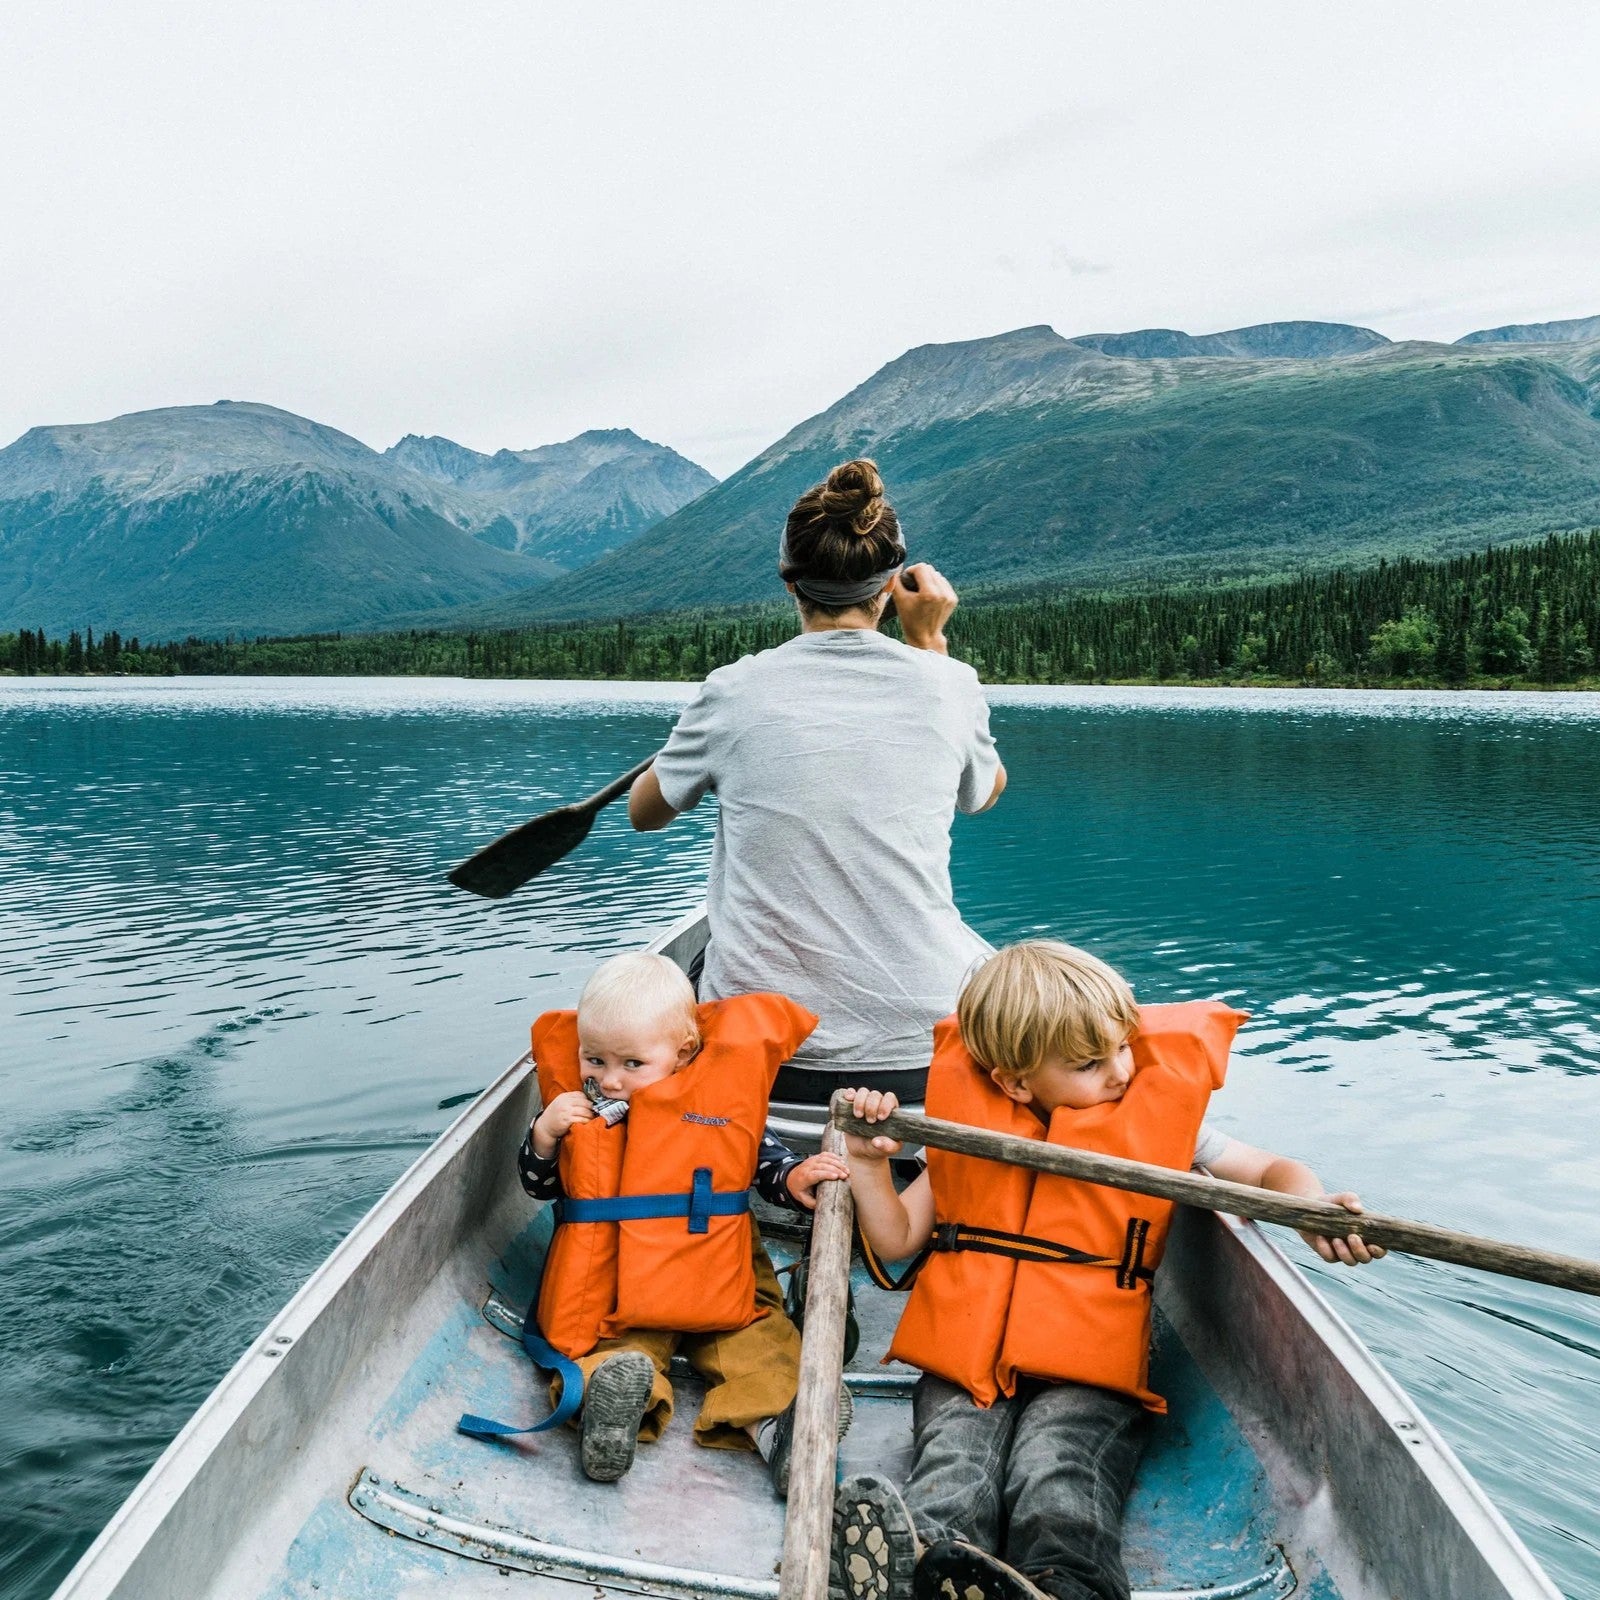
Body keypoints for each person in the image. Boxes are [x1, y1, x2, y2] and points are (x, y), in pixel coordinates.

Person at [831, 941, 1383, 1600]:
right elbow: (896, 1241)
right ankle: (923, 1567)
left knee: (1057, 1472)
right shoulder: (963, 1131)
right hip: (966, 1364)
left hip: (1088, 1372)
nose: (1122, 1070)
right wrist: (867, 1166)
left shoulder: (1160, 1123)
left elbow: (1267, 1171)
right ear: (1013, 1082)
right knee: (955, 1465)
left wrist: (1309, 1208)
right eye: (1092, 1064)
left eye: (1124, 1046)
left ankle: (1064, 1588)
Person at [627, 458, 1006, 1105]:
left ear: (789, 581)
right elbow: (984, 791)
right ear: (891, 586)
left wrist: (694, 748)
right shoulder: (947, 683)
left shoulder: (733, 691)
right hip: (923, 1053)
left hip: (764, 1058)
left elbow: (645, 813)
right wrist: (930, 644)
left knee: (692, 972)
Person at [512, 952, 850, 1491]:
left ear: (683, 1052)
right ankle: (611, 1416)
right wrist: (544, 1136)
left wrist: (795, 1178)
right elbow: (541, 1186)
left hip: (720, 1281)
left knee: (761, 1348)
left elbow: (763, 1163)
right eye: (593, 1060)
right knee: (613, 1354)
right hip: (620, 1292)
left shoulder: (717, 1104)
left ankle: (781, 1432)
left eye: (631, 1064)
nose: (610, 1080)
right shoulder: (582, 1110)